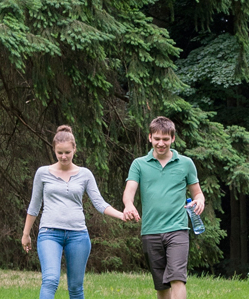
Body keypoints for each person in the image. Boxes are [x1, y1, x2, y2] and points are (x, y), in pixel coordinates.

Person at [22, 125, 127, 299]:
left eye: (67, 153)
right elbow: (34, 206)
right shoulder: (42, 173)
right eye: (60, 152)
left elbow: (100, 204)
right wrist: (26, 234)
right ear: (54, 150)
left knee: (76, 288)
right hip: (49, 233)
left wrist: (122, 215)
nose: (63, 156)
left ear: (74, 150)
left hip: (78, 235)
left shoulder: (85, 174)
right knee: (50, 280)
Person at [121, 117, 204, 299]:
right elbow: (129, 191)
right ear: (150, 138)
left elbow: (197, 193)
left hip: (178, 230)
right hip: (151, 231)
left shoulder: (186, 163)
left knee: (177, 279)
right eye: (157, 139)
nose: (161, 143)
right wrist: (129, 205)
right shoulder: (139, 164)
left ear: (173, 139)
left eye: (165, 139)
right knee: (162, 287)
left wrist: (199, 201)